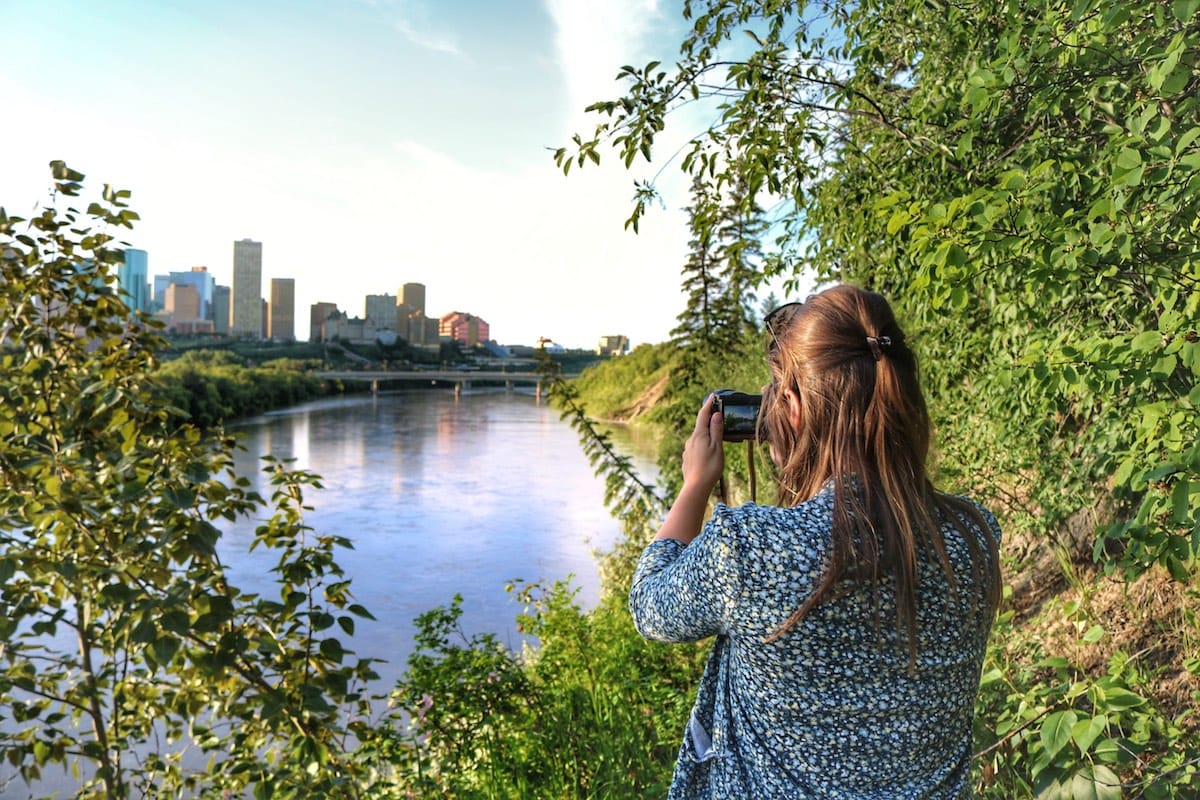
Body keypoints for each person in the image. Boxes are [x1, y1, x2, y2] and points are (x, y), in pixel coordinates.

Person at [629, 284, 1002, 799]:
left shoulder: (754, 550)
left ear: (797, 407)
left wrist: (695, 486)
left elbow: (650, 604)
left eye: (779, 398)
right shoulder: (975, 538)